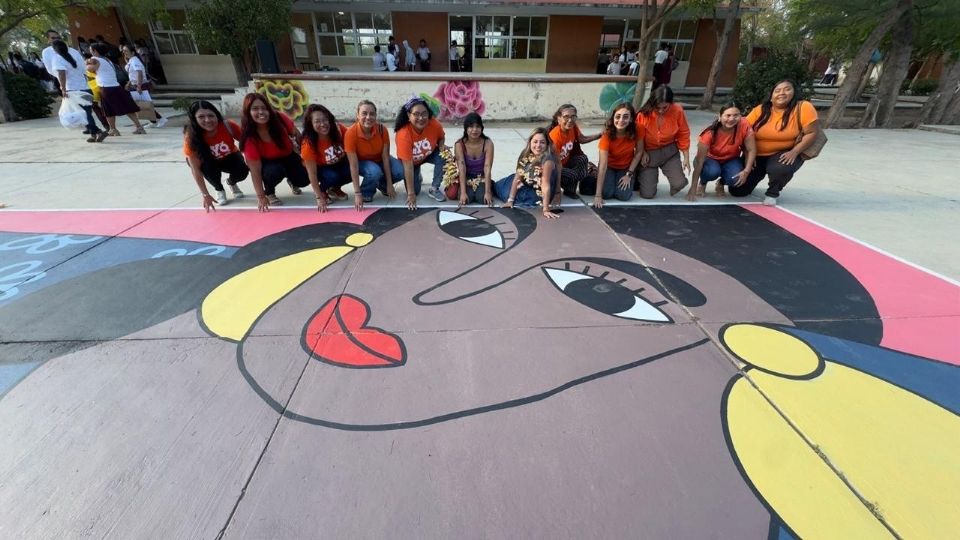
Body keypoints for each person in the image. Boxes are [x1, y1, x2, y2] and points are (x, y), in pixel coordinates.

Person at [730, 79, 820, 206]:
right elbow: (743, 131)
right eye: (777, 90)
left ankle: (772, 192)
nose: (782, 93)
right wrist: (748, 154)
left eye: (787, 89)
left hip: (783, 153)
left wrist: (795, 152)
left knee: (781, 167)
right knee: (737, 190)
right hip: (756, 155)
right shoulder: (760, 109)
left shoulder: (803, 107)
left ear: (794, 92)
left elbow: (812, 133)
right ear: (771, 96)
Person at [238, 92, 309, 211]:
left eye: (264, 108)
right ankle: (269, 192)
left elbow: (298, 136)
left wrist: (305, 156)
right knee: (274, 171)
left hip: (289, 155)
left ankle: (292, 180)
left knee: (305, 178)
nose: (261, 112)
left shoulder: (280, 118)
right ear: (248, 112)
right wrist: (261, 196)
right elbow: (255, 171)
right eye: (255, 109)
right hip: (268, 162)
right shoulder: (249, 138)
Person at [182, 100, 248, 210]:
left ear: (216, 115)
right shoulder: (191, 137)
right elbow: (195, 170)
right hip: (208, 162)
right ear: (194, 119)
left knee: (243, 171)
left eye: (211, 115)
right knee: (208, 168)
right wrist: (205, 195)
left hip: (229, 157)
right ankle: (219, 189)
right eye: (201, 117)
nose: (207, 120)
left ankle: (231, 182)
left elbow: (247, 144)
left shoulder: (228, 125)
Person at [686, 102, 756, 202]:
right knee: (712, 171)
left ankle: (721, 183)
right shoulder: (709, 133)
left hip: (731, 159)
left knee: (736, 178)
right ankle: (703, 182)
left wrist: (746, 171)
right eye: (728, 115)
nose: (732, 119)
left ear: (741, 116)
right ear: (719, 116)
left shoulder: (744, 125)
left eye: (736, 115)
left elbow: (751, 149)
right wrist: (692, 188)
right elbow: (699, 161)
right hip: (710, 159)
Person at [343, 100, 404, 211]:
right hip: (362, 162)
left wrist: (389, 184)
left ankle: (382, 185)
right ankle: (366, 192)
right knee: (374, 171)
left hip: (379, 159)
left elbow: (385, 157)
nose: (368, 117)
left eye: (372, 114)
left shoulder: (382, 130)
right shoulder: (351, 133)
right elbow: (353, 165)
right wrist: (357, 193)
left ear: (376, 116)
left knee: (400, 171)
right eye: (364, 113)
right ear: (357, 115)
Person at [634, 85, 691, 199]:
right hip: (649, 154)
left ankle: (673, 178)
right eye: (657, 107)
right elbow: (636, 137)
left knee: (680, 183)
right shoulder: (643, 114)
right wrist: (642, 152)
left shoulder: (678, 110)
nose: (661, 111)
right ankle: (641, 176)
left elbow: (683, 133)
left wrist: (686, 157)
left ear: (671, 103)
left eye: (665, 107)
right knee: (647, 194)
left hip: (669, 152)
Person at [394, 97, 448, 209]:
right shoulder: (403, 134)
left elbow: (441, 137)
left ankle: (434, 188)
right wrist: (411, 194)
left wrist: (441, 145)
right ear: (409, 116)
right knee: (416, 191)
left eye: (424, 114)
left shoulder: (434, 124)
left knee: (445, 155)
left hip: (428, 154)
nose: (421, 118)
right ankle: (417, 174)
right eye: (416, 114)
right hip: (411, 163)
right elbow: (408, 166)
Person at [494, 128, 559, 219]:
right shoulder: (525, 154)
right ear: (530, 142)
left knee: (509, 193)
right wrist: (510, 200)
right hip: (525, 184)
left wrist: (545, 209)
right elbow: (518, 176)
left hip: (539, 194)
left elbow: (545, 185)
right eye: (535, 142)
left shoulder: (547, 160)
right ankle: (495, 186)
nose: (538, 145)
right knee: (504, 188)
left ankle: (495, 188)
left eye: (542, 142)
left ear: (547, 144)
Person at [590, 103, 644, 208]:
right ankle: (594, 172)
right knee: (606, 194)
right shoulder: (607, 134)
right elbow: (603, 165)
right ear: (613, 118)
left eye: (625, 117)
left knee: (624, 196)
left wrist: (629, 174)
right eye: (618, 116)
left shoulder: (638, 128)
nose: (621, 120)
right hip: (609, 166)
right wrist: (598, 195)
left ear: (631, 119)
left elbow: (639, 152)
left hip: (626, 167)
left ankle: (633, 178)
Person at [51, 41, 106, 143]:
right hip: (86, 88)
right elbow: (84, 71)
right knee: (87, 113)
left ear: (54, 49)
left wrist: (63, 88)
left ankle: (98, 131)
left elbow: (61, 73)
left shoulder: (57, 58)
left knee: (82, 114)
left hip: (73, 90)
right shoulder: (75, 56)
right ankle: (93, 135)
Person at [86, 42, 145, 136]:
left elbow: (90, 69)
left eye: (90, 50)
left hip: (106, 88)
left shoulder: (95, 59)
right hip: (116, 86)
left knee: (108, 110)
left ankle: (113, 130)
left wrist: (86, 62)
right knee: (127, 107)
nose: (90, 52)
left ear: (95, 51)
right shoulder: (107, 60)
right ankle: (139, 127)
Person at [301, 104, 351, 213]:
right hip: (320, 168)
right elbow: (312, 174)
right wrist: (318, 197)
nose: (323, 124)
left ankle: (334, 188)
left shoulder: (338, 129)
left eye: (325, 120)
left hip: (338, 163)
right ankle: (322, 191)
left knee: (354, 168)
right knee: (332, 176)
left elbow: (352, 142)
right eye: (317, 121)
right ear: (310, 124)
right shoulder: (308, 144)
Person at [547, 104, 601, 199]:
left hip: (565, 163)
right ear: (559, 118)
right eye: (566, 117)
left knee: (583, 159)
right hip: (553, 168)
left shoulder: (573, 127)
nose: (570, 120)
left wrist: (600, 135)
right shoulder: (555, 136)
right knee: (573, 175)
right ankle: (562, 184)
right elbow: (557, 164)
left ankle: (570, 190)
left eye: (573, 116)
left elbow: (582, 139)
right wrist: (557, 191)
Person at [452, 112, 495, 208]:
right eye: (471, 126)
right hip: (466, 178)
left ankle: (490, 186)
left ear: (482, 128)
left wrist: (487, 192)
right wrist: (463, 193)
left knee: (482, 199)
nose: (474, 130)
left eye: (478, 126)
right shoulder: (459, 144)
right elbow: (462, 169)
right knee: (467, 199)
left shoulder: (488, 143)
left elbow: (487, 168)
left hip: (482, 178)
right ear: (466, 128)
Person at [122, 45, 165, 128]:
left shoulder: (135, 61)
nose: (124, 52)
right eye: (123, 51)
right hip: (134, 85)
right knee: (141, 105)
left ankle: (160, 119)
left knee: (145, 104)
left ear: (132, 52)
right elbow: (132, 74)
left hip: (140, 85)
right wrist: (129, 83)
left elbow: (139, 73)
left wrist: (139, 86)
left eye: (126, 50)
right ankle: (153, 121)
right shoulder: (131, 61)